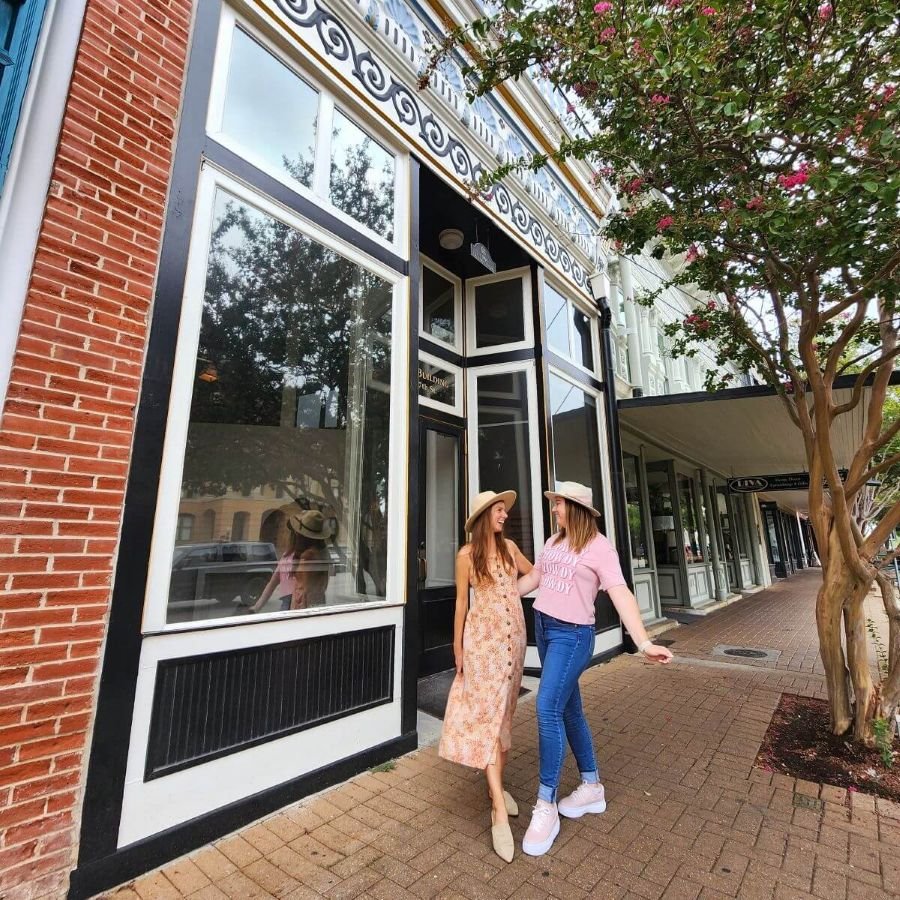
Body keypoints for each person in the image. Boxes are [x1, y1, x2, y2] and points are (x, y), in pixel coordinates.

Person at [517, 481, 673, 857]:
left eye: (559, 504)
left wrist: (644, 641)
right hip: (545, 629)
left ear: (576, 508)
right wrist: (500, 593)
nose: (554, 509)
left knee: (546, 708)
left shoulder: (600, 548)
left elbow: (620, 593)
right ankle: (592, 787)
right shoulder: (554, 542)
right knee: (569, 712)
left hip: (573, 636)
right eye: (554, 504)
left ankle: (546, 805)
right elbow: (536, 578)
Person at [438, 490, 534, 863]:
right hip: (482, 645)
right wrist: (457, 648)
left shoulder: (509, 548)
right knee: (489, 719)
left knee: (505, 716)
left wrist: (516, 591)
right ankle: (497, 805)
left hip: (514, 643)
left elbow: (534, 574)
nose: (505, 516)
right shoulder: (466, 556)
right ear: (483, 516)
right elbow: (461, 602)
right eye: (499, 510)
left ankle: (496, 787)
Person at [246, 509, 332, 613]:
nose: (293, 533)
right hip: (303, 604)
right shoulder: (294, 555)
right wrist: (257, 607)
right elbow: (273, 582)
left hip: (301, 606)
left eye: (296, 531)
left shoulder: (309, 557)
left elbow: (306, 592)